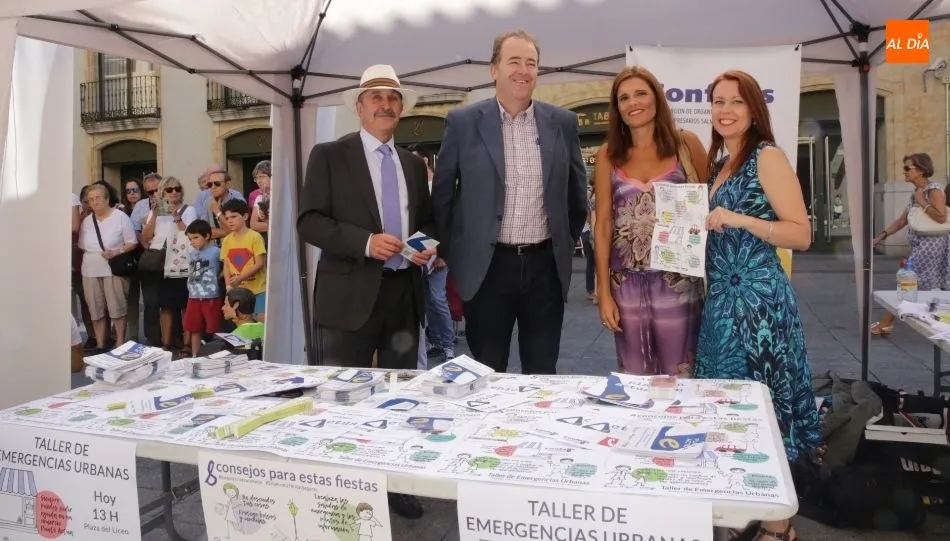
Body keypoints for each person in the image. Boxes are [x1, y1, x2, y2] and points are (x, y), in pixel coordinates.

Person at [297, 64, 434, 520]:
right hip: (348, 297)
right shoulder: (330, 155)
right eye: (376, 96)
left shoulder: (413, 164)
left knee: (399, 395)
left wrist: (425, 249)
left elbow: (427, 223)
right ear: (359, 107)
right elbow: (309, 221)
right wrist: (365, 243)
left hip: (402, 295)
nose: (385, 104)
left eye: (393, 97)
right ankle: (342, 487)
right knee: (344, 395)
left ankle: (394, 487)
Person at [696, 70, 819, 541]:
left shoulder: (766, 157)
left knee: (764, 411)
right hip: (724, 304)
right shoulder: (720, 161)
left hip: (759, 305)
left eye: (735, 102)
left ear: (753, 109)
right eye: (717, 102)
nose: (724, 110)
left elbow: (801, 233)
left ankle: (777, 525)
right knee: (730, 410)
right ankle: (748, 506)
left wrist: (739, 219)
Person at [431, 29, 587, 375]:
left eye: (531, 63)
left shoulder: (562, 123)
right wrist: (454, 253)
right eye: (514, 61)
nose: (523, 70)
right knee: (487, 371)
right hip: (486, 270)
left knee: (543, 371)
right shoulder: (463, 122)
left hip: (544, 268)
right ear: (494, 70)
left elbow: (577, 196)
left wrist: (561, 241)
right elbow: (442, 196)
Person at [593, 66, 707, 376]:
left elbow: (709, 208)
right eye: (624, 97)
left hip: (679, 282)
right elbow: (602, 224)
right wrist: (604, 292)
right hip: (625, 285)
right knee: (634, 378)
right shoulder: (608, 154)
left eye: (641, 93)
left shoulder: (686, 145)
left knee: (682, 374)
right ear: (617, 108)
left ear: (656, 98)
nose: (633, 103)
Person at [870, 153, 949, 336]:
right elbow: (902, 221)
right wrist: (880, 237)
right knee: (925, 285)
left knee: (907, 283)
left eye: (907, 168)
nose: (904, 172)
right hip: (921, 245)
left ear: (921, 171)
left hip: (933, 246)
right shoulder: (916, 193)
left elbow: (941, 217)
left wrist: (922, 202)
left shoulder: (934, 190)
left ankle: (886, 322)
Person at [184, 219, 223, 357]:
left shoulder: (216, 251)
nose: (193, 241)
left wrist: (219, 277)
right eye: (190, 239)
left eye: (196, 237)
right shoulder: (192, 253)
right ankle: (195, 355)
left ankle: (217, 353)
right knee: (194, 327)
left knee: (214, 327)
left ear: (207, 236)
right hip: (193, 296)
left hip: (210, 296)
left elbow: (227, 265)